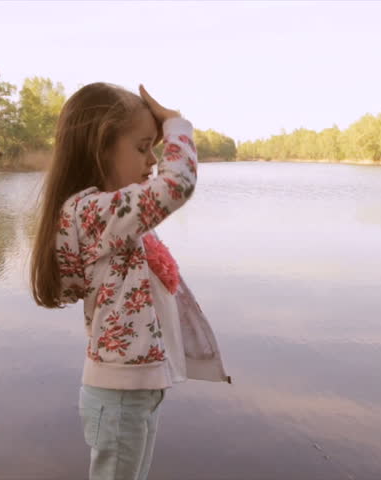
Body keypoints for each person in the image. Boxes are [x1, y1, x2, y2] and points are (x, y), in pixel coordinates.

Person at [30, 82, 231, 480]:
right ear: (100, 147)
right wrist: (175, 124)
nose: (153, 161)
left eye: (154, 148)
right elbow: (177, 184)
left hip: (134, 390)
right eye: (142, 148)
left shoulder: (108, 215)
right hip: (119, 393)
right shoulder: (94, 212)